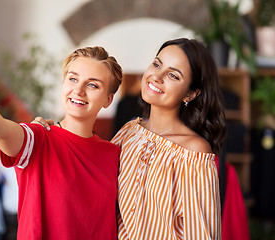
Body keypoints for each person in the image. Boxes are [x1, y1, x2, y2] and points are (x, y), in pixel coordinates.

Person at [35, 38, 227, 239]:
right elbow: (89, 177)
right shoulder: (129, 132)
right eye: (156, 64)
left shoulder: (193, 152)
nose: (156, 76)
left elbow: (202, 233)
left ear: (191, 94)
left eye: (172, 75)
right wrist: (53, 132)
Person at [0, 46, 123, 239]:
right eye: (73, 79)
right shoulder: (39, 139)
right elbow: (0, 130)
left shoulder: (113, 154)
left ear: (108, 99)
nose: (78, 90)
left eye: (92, 85)